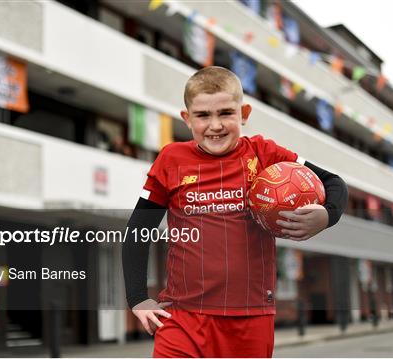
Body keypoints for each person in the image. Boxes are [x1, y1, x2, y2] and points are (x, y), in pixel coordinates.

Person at [122, 66, 348, 357]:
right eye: (203, 115)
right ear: (187, 119)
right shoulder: (171, 159)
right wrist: (138, 298)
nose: (215, 125)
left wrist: (327, 215)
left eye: (226, 113)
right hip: (182, 318)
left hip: (250, 318)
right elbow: (138, 229)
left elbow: (334, 183)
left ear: (244, 113)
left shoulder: (263, 153)